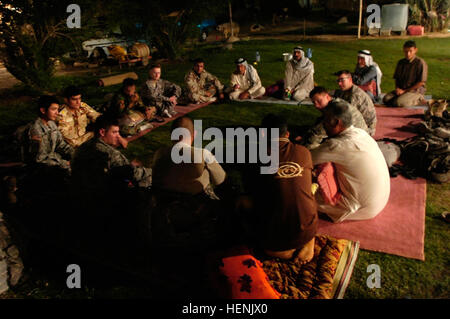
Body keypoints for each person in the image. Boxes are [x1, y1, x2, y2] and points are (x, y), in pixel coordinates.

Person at [310, 100, 390, 223]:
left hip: (360, 208)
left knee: (298, 193)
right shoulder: (361, 133)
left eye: (325, 119)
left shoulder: (337, 145)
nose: (323, 123)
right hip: (379, 201)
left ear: (336, 122)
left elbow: (305, 159)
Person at [255, 114, 317, 263]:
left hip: (278, 233)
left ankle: (285, 251)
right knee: (308, 191)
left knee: (244, 203)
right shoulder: (304, 152)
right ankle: (308, 240)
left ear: (262, 134)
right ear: (287, 134)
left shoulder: (257, 155)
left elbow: (256, 193)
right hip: (308, 226)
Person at [71, 115, 152, 192]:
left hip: (80, 192)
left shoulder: (83, 147)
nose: (118, 136)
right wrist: (151, 171)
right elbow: (133, 174)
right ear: (102, 132)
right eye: (114, 132)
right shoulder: (110, 154)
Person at [152, 116, 226, 199]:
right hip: (197, 204)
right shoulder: (203, 154)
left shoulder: (159, 153)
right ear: (194, 134)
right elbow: (220, 180)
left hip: (165, 202)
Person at [302, 86, 369, 149]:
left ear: (327, 97)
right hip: (360, 137)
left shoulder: (334, 110)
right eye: (314, 102)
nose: (316, 105)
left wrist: (304, 149)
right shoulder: (335, 103)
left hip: (358, 142)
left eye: (319, 101)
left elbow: (317, 134)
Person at [25, 95, 74, 171]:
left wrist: (76, 154)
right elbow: (41, 159)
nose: (57, 113)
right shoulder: (36, 129)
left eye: (57, 109)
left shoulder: (51, 124)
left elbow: (61, 145)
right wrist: (65, 163)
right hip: (44, 169)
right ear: (43, 110)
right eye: (53, 109)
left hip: (56, 162)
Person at [383, 40, 428, 107]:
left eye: (410, 51)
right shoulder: (401, 62)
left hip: (415, 91)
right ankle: (403, 99)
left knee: (399, 103)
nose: (408, 54)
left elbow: (421, 82)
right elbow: (397, 78)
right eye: (406, 51)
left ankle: (419, 100)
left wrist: (404, 91)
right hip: (402, 90)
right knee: (386, 99)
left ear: (415, 50)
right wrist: (398, 89)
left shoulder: (420, 63)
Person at [334, 70, 377, 136]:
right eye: (338, 81)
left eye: (342, 80)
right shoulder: (343, 91)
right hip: (358, 123)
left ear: (350, 79)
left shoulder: (355, 95)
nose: (339, 83)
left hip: (366, 129)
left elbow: (347, 116)